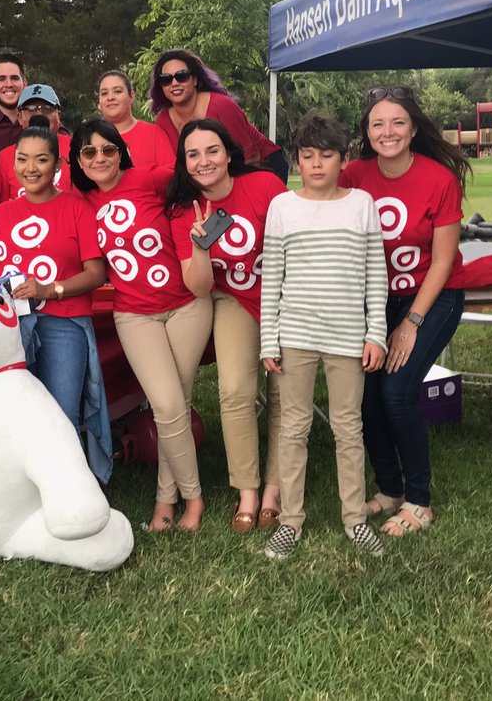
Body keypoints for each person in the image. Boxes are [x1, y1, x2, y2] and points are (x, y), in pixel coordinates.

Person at [69, 118, 212, 532]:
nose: (100, 158)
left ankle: (166, 500)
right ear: (78, 159)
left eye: (108, 149)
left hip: (187, 305)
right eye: (89, 152)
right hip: (134, 312)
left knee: (176, 407)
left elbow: (200, 183)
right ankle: (194, 497)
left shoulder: (150, 178)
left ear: (121, 151)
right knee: (167, 405)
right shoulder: (82, 201)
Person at [340, 85, 469, 539]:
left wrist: (410, 324)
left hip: (431, 297)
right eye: (377, 123)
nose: (387, 131)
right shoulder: (353, 174)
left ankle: (419, 498)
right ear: (367, 132)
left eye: (398, 122)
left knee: (396, 391)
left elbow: (444, 260)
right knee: (366, 394)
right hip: (374, 299)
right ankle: (390, 489)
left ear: (413, 128)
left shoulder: (439, 179)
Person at [258, 112, 389, 561]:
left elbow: (377, 274)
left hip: (348, 338)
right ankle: (290, 521)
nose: (316, 164)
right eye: (308, 156)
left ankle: (354, 518)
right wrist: (267, 340)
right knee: (293, 428)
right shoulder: (282, 207)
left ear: (343, 158)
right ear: (297, 160)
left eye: (326, 156)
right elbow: (271, 277)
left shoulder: (362, 204)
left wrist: (377, 334)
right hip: (294, 335)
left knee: (348, 428)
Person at [167, 118, 286, 534]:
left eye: (212, 150)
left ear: (229, 152)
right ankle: (248, 490)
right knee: (235, 389)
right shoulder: (184, 211)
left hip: (283, 296)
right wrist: (200, 245)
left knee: (284, 393)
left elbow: (295, 245)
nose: (204, 162)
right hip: (233, 299)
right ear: (183, 163)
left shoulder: (266, 187)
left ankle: (275, 488)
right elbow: (199, 286)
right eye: (193, 154)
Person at [0, 116, 111, 481]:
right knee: (16, 414)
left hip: (65, 323)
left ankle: (70, 490)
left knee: (62, 412)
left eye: (41, 159)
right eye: (23, 159)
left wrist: (51, 289)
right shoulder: (1, 212)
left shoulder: (77, 209)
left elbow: (97, 274)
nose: (31, 168)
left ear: (58, 165)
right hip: (12, 328)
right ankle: (25, 490)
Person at [149, 49, 288, 183]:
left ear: (195, 80)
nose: (174, 83)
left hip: (262, 166)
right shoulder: (163, 121)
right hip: (213, 177)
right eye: (166, 80)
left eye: (182, 76)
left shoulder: (221, 106)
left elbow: (252, 157)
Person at [0, 84, 73, 201]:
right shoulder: (5, 157)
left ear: (59, 115)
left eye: (47, 109)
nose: (39, 115)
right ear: (19, 117)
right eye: (31, 109)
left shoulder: (76, 147)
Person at [97, 69, 174, 169]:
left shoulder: (154, 134)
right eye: (104, 93)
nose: (110, 97)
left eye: (117, 91)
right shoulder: (90, 137)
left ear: (131, 96)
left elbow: (171, 174)